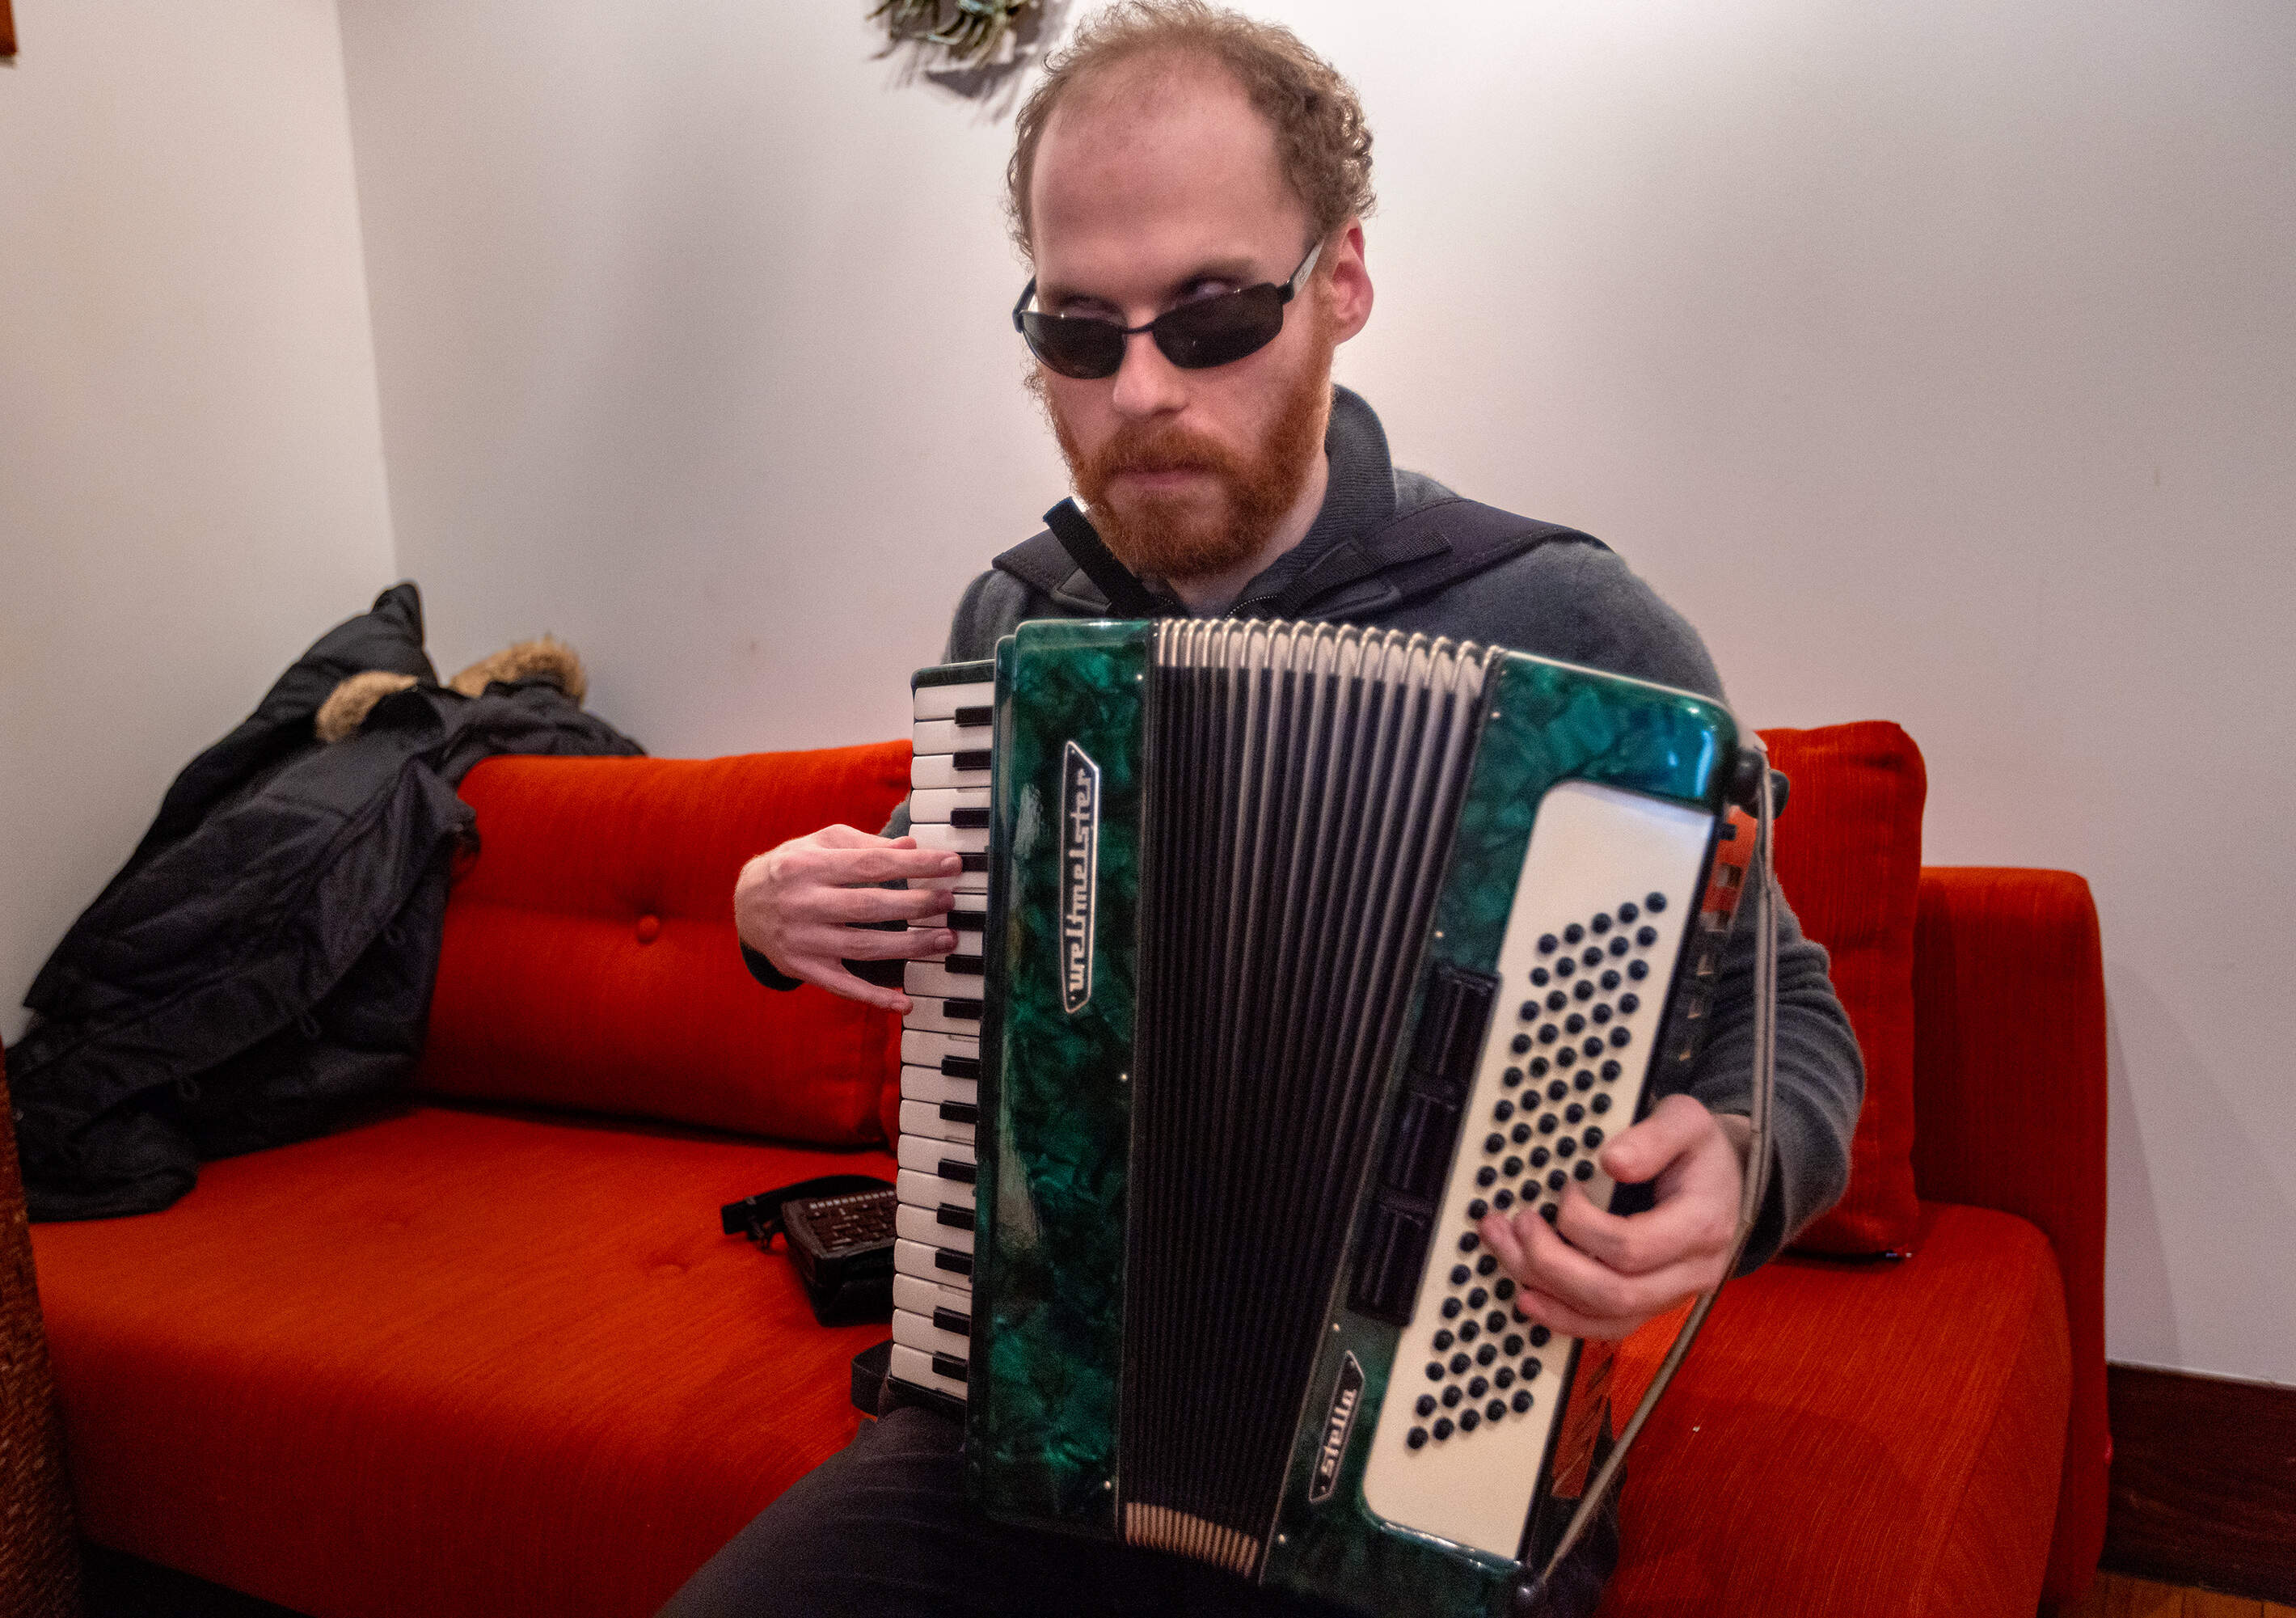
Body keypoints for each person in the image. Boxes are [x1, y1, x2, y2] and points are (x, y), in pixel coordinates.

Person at [687, 5, 1863, 1614]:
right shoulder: (1019, 622)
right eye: (1082, 332)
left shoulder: (1574, 633)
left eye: (1214, 314)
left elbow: (1782, 1004)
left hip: (1415, 1461)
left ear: (1344, 285)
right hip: (1032, 1430)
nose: (1144, 389)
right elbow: (985, 945)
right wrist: (785, 915)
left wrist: (1737, 1161)